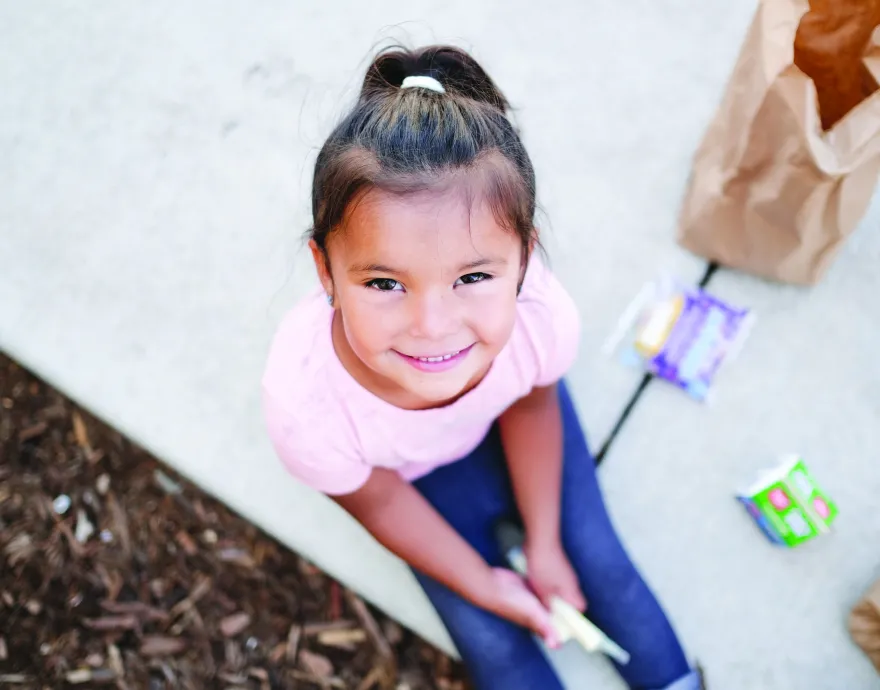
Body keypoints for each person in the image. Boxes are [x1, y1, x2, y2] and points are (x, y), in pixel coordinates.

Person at [262, 44, 705, 690]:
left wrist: (545, 543)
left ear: (522, 261)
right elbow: (381, 501)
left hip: (514, 428)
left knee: (602, 566)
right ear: (325, 271)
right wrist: (484, 583)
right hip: (409, 480)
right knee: (488, 636)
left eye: (471, 276)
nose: (433, 326)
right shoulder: (307, 411)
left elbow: (531, 404)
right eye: (385, 283)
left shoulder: (538, 320)